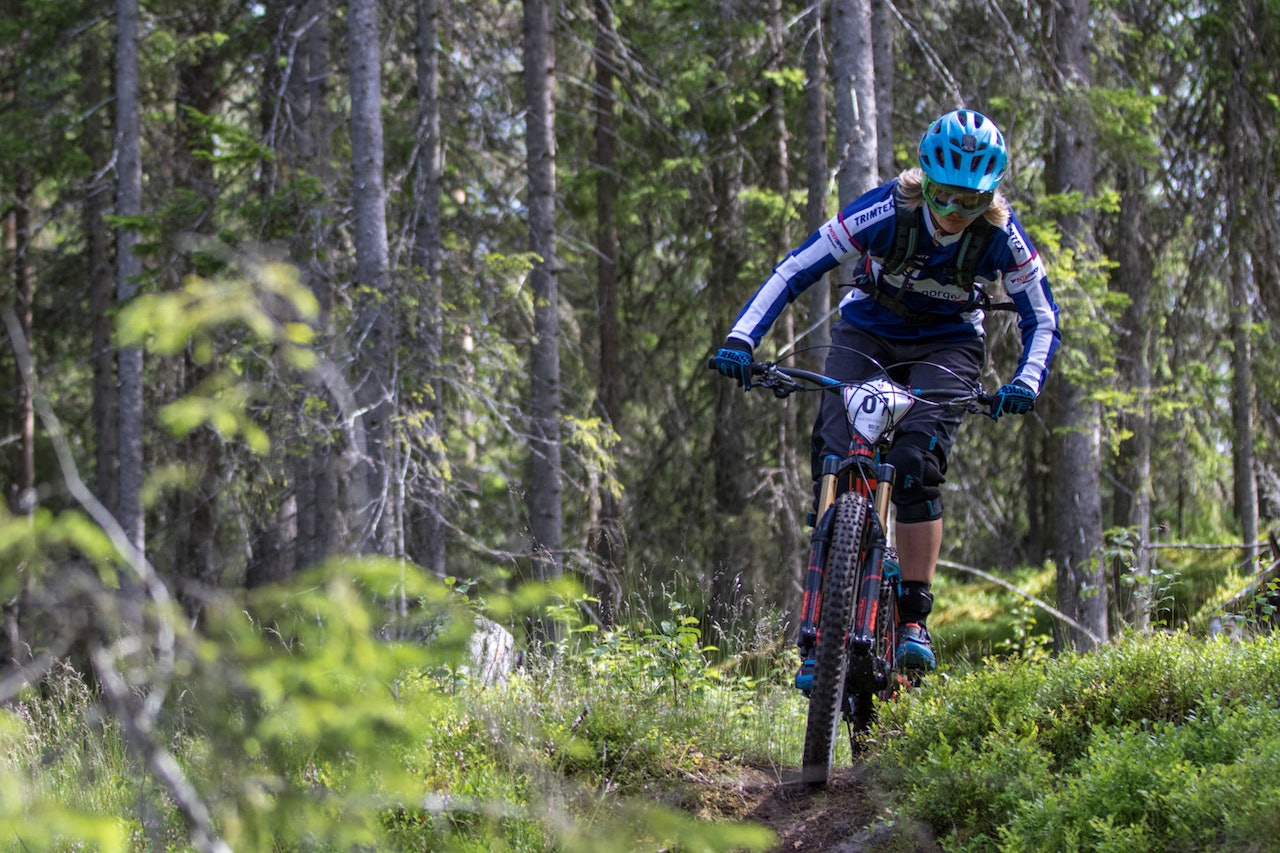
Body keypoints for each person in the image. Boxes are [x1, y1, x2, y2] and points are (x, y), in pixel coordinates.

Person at [712, 108, 1060, 672]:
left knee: (914, 463)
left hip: (947, 347)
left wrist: (1025, 380)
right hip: (868, 330)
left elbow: (1041, 318)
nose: (952, 212)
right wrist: (741, 338)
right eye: (944, 195)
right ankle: (824, 612)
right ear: (926, 178)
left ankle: (914, 617)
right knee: (834, 448)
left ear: (989, 196)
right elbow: (796, 268)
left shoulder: (1001, 236)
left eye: (969, 202)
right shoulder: (885, 210)